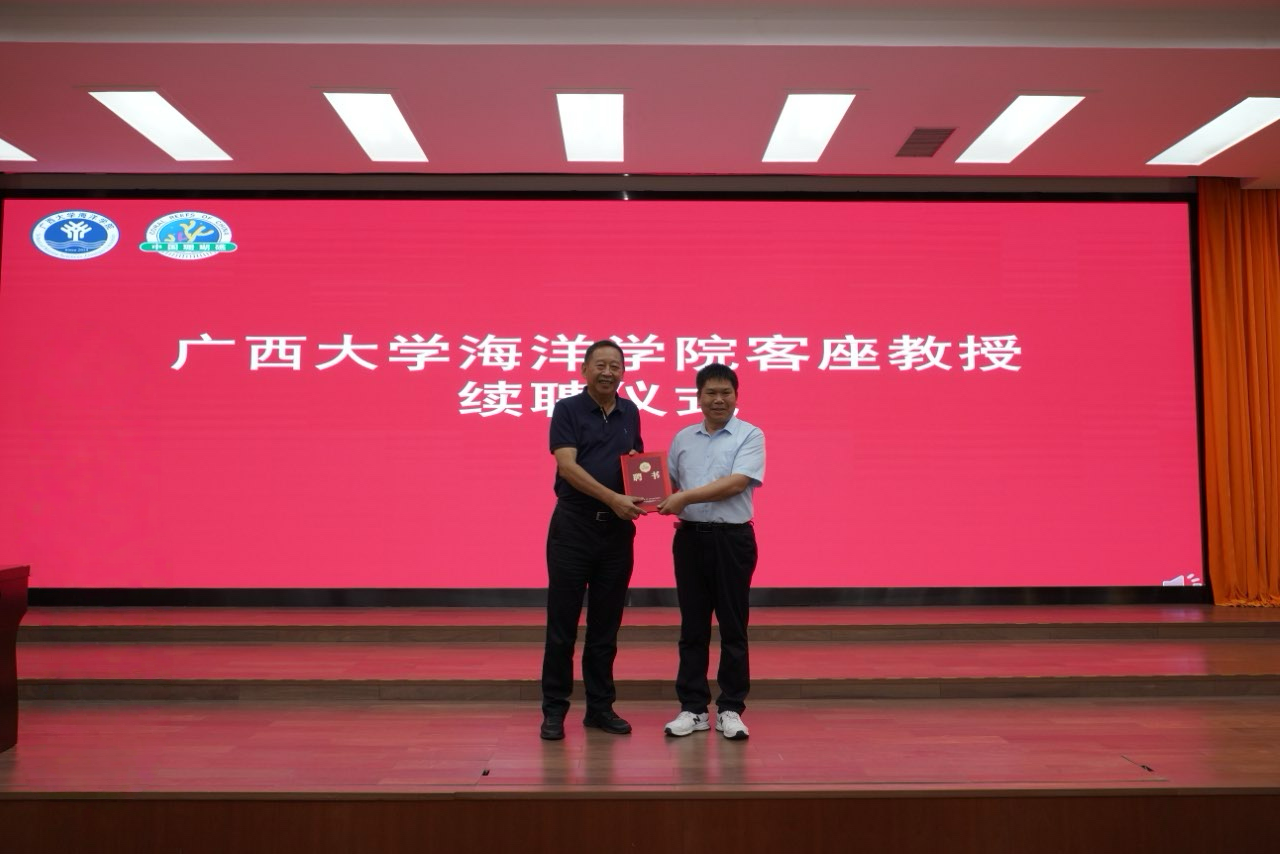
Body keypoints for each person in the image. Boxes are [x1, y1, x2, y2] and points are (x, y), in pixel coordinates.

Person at [540, 339, 645, 741]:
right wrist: (613, 498)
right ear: (584, 369)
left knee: (606, 627)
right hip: (574, 528)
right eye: (600, 364)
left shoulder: (630, 411)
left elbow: (635, 463)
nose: (608, 372)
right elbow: (567, 467)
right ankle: (554, 710)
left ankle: (600, 708)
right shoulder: (567, 409)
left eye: (615, 365)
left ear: (623, 372)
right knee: (562, 626)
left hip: (616, 533)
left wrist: (648, 491)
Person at [656, 363, 764, 741]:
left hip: (732, 540)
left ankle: (731, 708)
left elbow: (736, 484)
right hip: (689, 540)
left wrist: (683, 497)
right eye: (711, 393)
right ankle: (694, 709)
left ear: (736, 396)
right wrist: (640, 474)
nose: (719, 399)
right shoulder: (683, 438)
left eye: (726, 393)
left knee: (733, 627)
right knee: (692, 628)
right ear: (698, 397)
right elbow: (665, 485)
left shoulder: (750, 435)